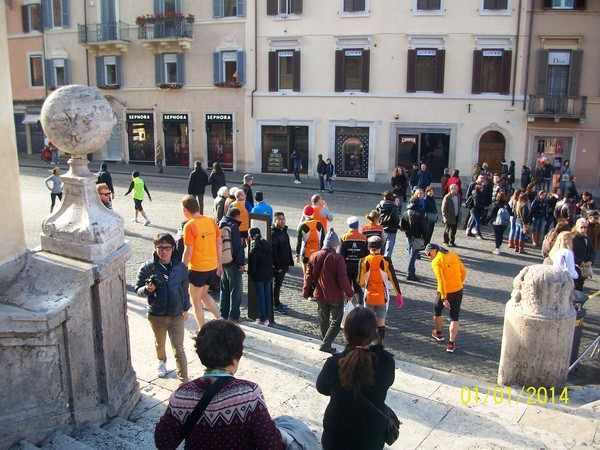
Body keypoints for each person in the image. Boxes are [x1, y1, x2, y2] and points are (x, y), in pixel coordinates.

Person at [154, 320, 285, 450]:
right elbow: (271, 445)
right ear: (234, 360)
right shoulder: (249, 394)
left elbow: (163, 443)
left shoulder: (181, 395)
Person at [316, 307, 395, 450]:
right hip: (371, 434)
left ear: (346, 334)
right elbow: (387, 383)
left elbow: (322, 388)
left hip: (336, 433)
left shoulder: (334, 363)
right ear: (374, 333)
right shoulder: (386, 362)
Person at [135, 233, 190, 383]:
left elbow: (185, 289)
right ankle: (162, 361)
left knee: (179, 348)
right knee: (160, 343)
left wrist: (186, 308)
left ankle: (183, 380)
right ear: (155, 248)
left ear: (173, 249)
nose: (163, 252)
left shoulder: (181, 267)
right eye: (160, 248)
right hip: (156, 315)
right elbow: (137, 290)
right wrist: (147, 290)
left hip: (176, 314)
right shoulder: (147, 267)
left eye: (167, 248)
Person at [302, 228, 353, 353]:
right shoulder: (338, 258)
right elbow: (343, 278)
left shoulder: (314, 256)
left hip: (319, 295)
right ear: (335, 245)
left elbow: (308, 276)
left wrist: (305, 291)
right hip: (335, 296)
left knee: (323, 320)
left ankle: (325, 343)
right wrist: (349, 293)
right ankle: (326, 344)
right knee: (336, 321)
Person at [181, 195, 222, 334]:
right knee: (204, 294)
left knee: (196, 300)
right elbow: (219, 243)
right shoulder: (210, 220)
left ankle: (201, 330)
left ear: (185, 210)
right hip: (211, 266)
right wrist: (219, 263)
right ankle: (219, 319)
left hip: (197, 268)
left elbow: (188, 251)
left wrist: (182, 268)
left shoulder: (190, 226)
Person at [358, 236, 402, 342]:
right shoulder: (386, 260)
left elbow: (359, 281)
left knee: (369, 321)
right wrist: (398, 294)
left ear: (368, 248)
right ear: (380, 247)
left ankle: (367, 342)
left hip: (369, 296)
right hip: (382, 297)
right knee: (381, 322)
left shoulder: (363, 261)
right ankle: (379, 345)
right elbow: (393, 279)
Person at [426, 243, 467, 353]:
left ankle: (438, 333)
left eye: (429, 253)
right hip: (458, 290)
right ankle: (451, 343)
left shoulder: (437, 261)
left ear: (434, 250)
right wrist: (458, 283)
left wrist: (444, 298)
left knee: (437, 310)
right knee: (454, 316)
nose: (429, 256)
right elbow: (463, 271)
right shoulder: (453, 255)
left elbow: (441, 280)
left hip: (444, 291)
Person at [218, 208, 245, 322]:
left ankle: (223, 313)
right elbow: (237, 246)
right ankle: (233, 315)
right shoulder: (233, 226)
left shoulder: (219, 223)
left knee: (224, 288)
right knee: (235, 289)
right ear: (237, 216)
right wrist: (241, 263)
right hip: (232, 262)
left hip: (222, 260)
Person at [248, 227, 274, 326]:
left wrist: (250, 273)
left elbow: (253, 267)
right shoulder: (267, 244)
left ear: (251, 236)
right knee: (267, 296)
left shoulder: (254, 249)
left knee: (261, 298)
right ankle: (267, 317)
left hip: (259, 276)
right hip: (268, 274)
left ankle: (262, 318)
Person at [340, 216, 368, 304]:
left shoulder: (344, 237)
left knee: (347, 287)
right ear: (357, 225)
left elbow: (341, 254)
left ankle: (347, 304)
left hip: (347, 266)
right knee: (358, 287)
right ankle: (360, 304)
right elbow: (366, 254)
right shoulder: (363, 238)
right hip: (359, 266)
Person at [401, 196, 428, 282]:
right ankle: (410, 273)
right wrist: (425, 236)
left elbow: (402, 226)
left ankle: (411, 271)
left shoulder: (406, 212)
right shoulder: (420, 212)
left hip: (408, 236)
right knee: (413, 255)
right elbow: (423, 227)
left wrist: (407, 231)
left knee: (411, 254)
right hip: (417, 236)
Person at [271, 212, 294, 313]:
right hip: (279, 265)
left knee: (279, 284)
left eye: (283, 219)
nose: (283, 221)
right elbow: (274, 252)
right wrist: (278, 266)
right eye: (280, 219)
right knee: (277, 284)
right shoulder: (274, 234)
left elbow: (287, 248)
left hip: (284, 263)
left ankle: (277, 302)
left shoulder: (283, 231)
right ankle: (276, 303)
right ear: (275, 221)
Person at [296, 205, 325, 273]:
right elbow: (323, 239)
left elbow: (299, 242)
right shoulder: (319, 224)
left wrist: (297, 255)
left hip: (305, 253)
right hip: (317, 252)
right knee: (315, 274)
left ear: (304, 214)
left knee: (306, 275)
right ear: (313, 213)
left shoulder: (302, 226)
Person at [572, 218, 595, 292]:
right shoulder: (573, 239)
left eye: (585, 227)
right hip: (575, 268)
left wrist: (590, 261)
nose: (584, 229)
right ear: (577, 227)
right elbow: (570, 254)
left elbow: (592, 251)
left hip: (584, 269)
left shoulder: (586, 238)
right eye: (581, 227)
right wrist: (580, 262)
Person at [376, 191, 400, 259]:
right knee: (389, 248)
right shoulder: (393, 207)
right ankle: (387, 262)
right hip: (391, 229)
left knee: (382, 245)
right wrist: (398, 226)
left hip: (381, 227)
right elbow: (396, 219)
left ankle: (381, 260)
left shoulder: (379, 205)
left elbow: (377, 213)